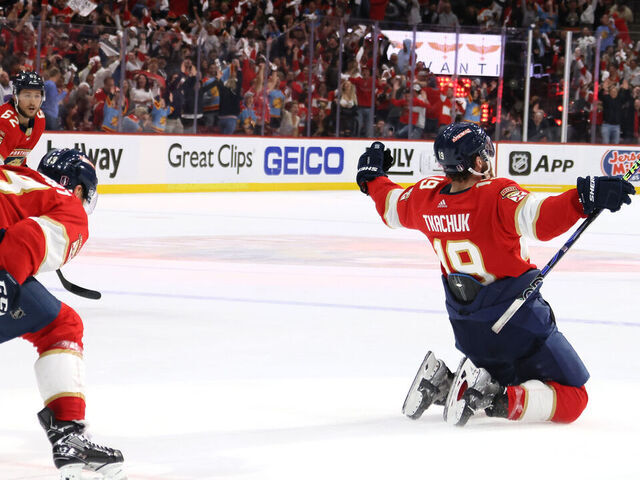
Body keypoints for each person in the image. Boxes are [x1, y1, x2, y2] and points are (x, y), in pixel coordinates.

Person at [356, 123, 635, 427]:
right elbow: (541, 219)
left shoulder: (427, 198)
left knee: (509, 373)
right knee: (574, 398)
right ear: (476, 162)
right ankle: (496, 398)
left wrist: (373, 179)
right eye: (484, 153)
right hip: (515, 322)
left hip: (467, 329)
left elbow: (391, 207)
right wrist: (582, 198)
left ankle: (445, 383)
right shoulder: (496, 195)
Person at [0, 148, 126, 478]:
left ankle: (69, 436)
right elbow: (24, 241)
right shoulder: (69, 205)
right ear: (81, 189)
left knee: (58, 321)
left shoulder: (22, 179)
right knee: (62, 327)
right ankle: (68, 436)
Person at [0, 71, 46, 166]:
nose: (32, 102)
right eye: (27, 95)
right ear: (15, 97)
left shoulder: (39, 120)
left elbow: (18, 161)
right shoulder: (5, 122)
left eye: (37, 96)